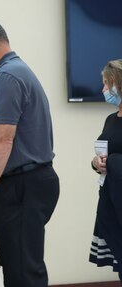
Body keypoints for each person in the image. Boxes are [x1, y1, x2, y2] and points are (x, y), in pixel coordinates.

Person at [0, 19, 60, 287]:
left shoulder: (6, 77)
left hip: (21, 186)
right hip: (31, 183)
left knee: (22, 274)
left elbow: (2, 141)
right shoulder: (18, 71)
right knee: (21, 266)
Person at [89, 59, 122, 282]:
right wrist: (96, 163)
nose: (103, 90)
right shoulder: (111, 119)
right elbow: (104, 155)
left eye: (106, 84)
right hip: (112, 201)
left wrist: (111, 162)